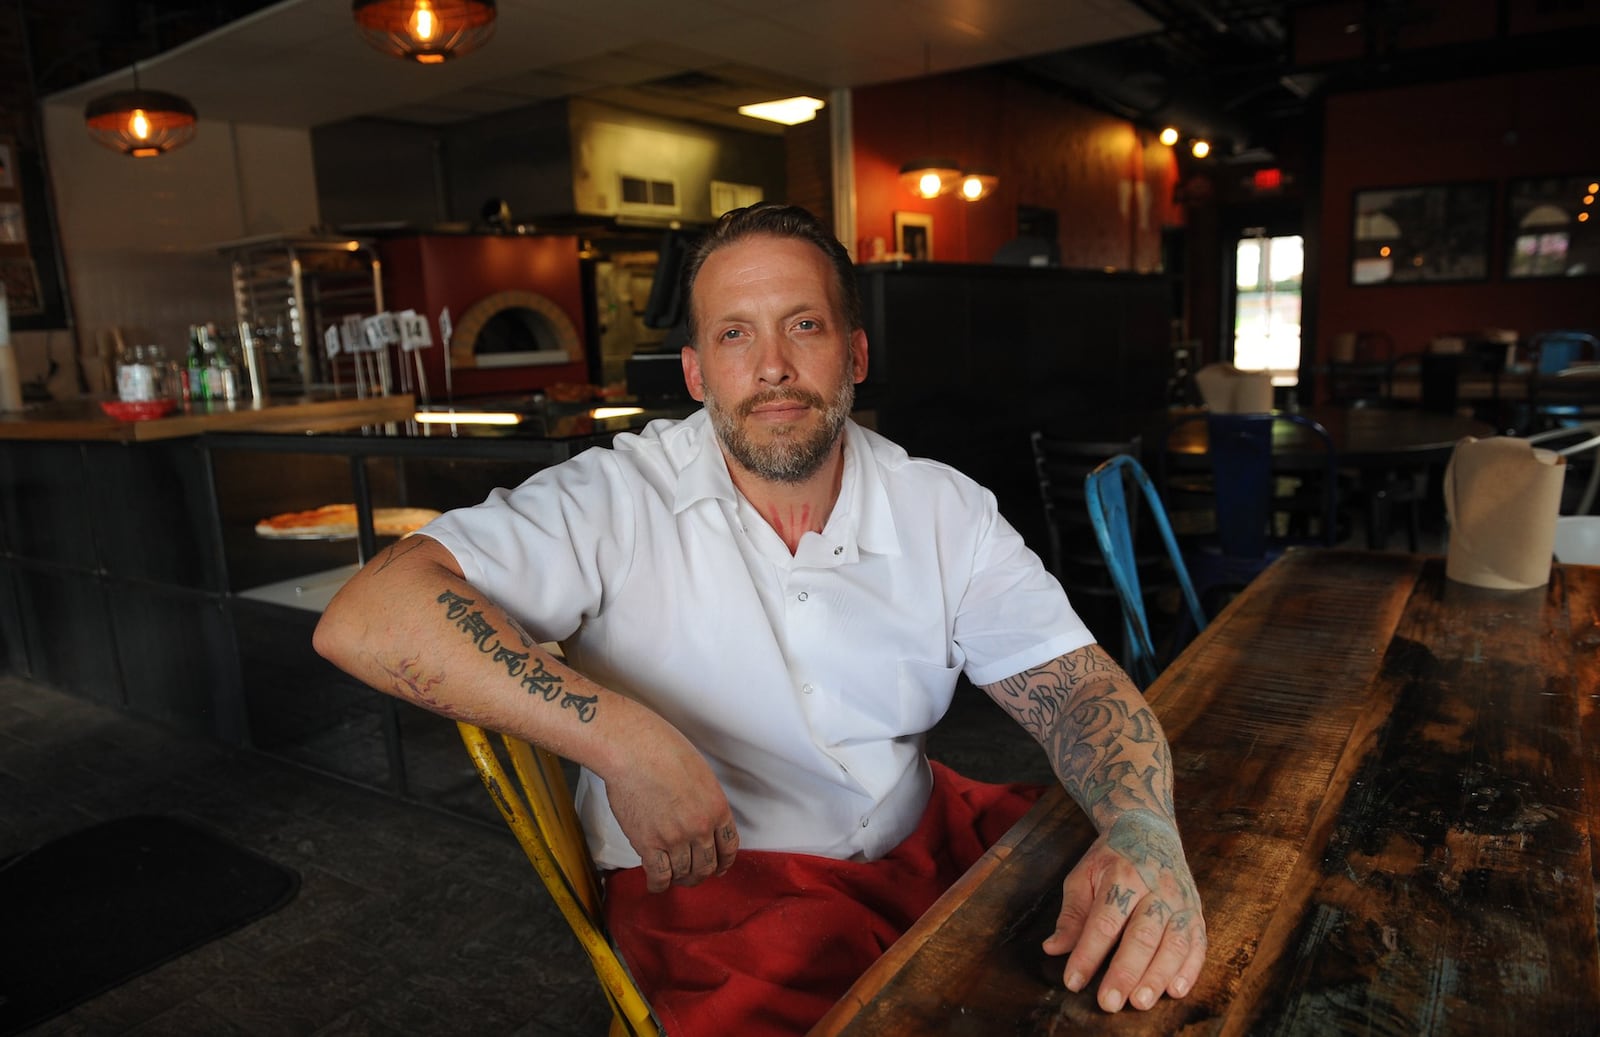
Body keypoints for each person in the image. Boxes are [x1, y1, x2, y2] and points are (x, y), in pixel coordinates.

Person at [313, 202, 1205, 1034]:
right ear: (696, 373)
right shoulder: (615, 496)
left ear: (853, 354)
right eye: (735, 334)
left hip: (928, 841)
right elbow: (366, 615)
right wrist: (618, 735)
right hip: (721, 897)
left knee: (1139, 934)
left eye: (803, 325)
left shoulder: (943, 508)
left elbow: (1077, 688)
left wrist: (1141, 828)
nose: (772, 365)